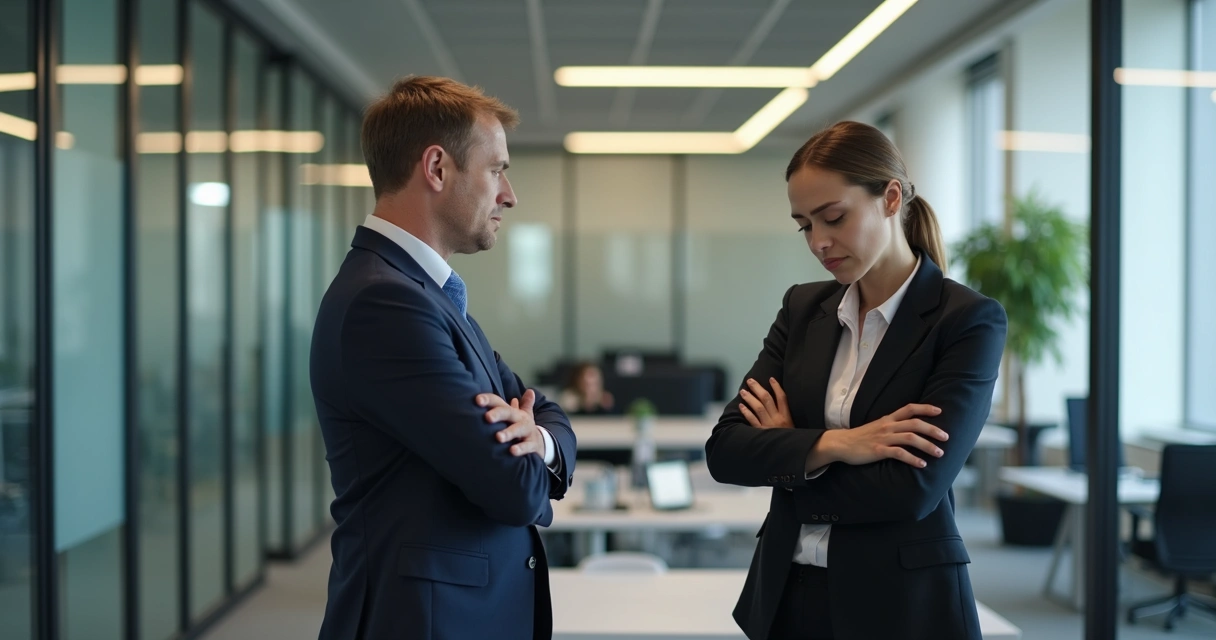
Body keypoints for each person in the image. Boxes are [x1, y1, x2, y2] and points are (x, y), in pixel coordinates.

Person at [704, 121, 1007, 640]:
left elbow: (911, 489)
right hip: (784, 597)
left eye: (834, 218)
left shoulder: (964, 320)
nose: (819, 242)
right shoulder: (804, 308)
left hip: (899, 607)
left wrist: (791, 452)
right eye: (804, 225)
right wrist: (841, 444)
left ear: (891, 198)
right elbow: (727, 450)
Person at [310, 76, 577, 640]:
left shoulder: (428, 293)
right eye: (497, 169)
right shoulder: (386, 304)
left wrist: (545, 437)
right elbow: (514, 487)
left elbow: (542, 406)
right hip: (427, 623)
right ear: (437, 168)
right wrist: (538, 447)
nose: (509, 195)